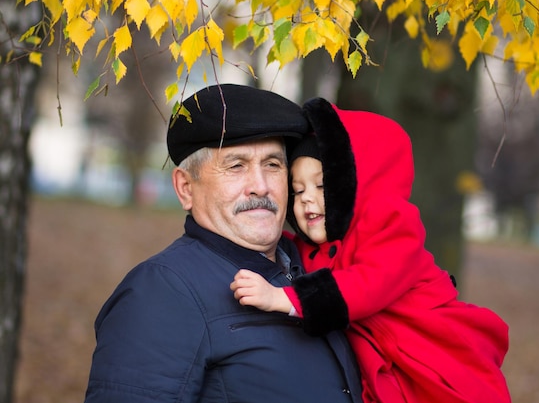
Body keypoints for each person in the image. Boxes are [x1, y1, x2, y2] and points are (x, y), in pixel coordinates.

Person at [83, 84, 364, 403]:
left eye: (272, 164)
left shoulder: (316, 267)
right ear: (186, 188)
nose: (260, 186)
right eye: (236, 166)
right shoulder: (161, 292)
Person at [231, 97, 511, 403]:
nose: (307, 200)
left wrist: (283, 298)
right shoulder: (311, 247)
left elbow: (369, 283)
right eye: (298, 191)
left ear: (355, 183)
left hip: (429, 350)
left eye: (322, 186)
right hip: (383, 362)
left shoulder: (391, 223)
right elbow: (284, 251)